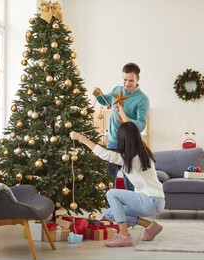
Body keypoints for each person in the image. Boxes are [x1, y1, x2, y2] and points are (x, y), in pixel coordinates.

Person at [69, 107, 164, 247]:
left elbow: (104, 154)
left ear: (122, 139)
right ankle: (150, 226)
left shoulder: (129, 158)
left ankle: (124, 236)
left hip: (150, 200)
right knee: (111, 213)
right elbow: (133, 132)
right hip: (157, 202)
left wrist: (81, 138)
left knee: (112, 193)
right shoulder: (144, 150)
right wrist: (123, 116)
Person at [93, 62, 149, 191]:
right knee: (108, 179)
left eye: (131, 80)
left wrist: (125, 120)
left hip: (130, 145)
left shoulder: (142, 99)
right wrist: (98, 94)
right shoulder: (117, 90)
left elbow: (140, 125)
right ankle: (110, 208)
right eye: (125, 79)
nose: (127, 83)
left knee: (130, 181)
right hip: (113, 142)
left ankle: (130, 209)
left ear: (138, 79)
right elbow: (105, 100)